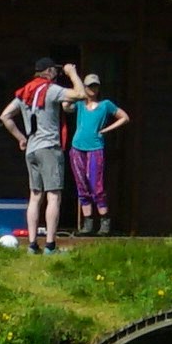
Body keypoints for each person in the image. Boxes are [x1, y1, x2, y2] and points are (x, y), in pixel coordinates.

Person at [16, 74, 75, 253]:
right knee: (54, 196)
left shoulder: (26, 92)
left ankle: (32, 245)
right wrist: (72, 73)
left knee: (35, 196)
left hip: (31, 149)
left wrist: (20, 137)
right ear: (49, 71)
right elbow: (80, 93)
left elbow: (5, 115)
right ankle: (50, 245)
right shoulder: (51, 89)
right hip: (49, 147)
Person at [67, 68, 122, 240]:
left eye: (95, 86)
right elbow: (65, 105)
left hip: (95, 148)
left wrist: (105, 130)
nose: (92, 89)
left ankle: (104, 221)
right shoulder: (80, 105)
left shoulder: (105, 105)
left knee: (95, 184)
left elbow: (124, 117)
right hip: (77, 147)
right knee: (81, 185)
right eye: (89, 86)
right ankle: (88, 223)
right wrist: (75, 84)